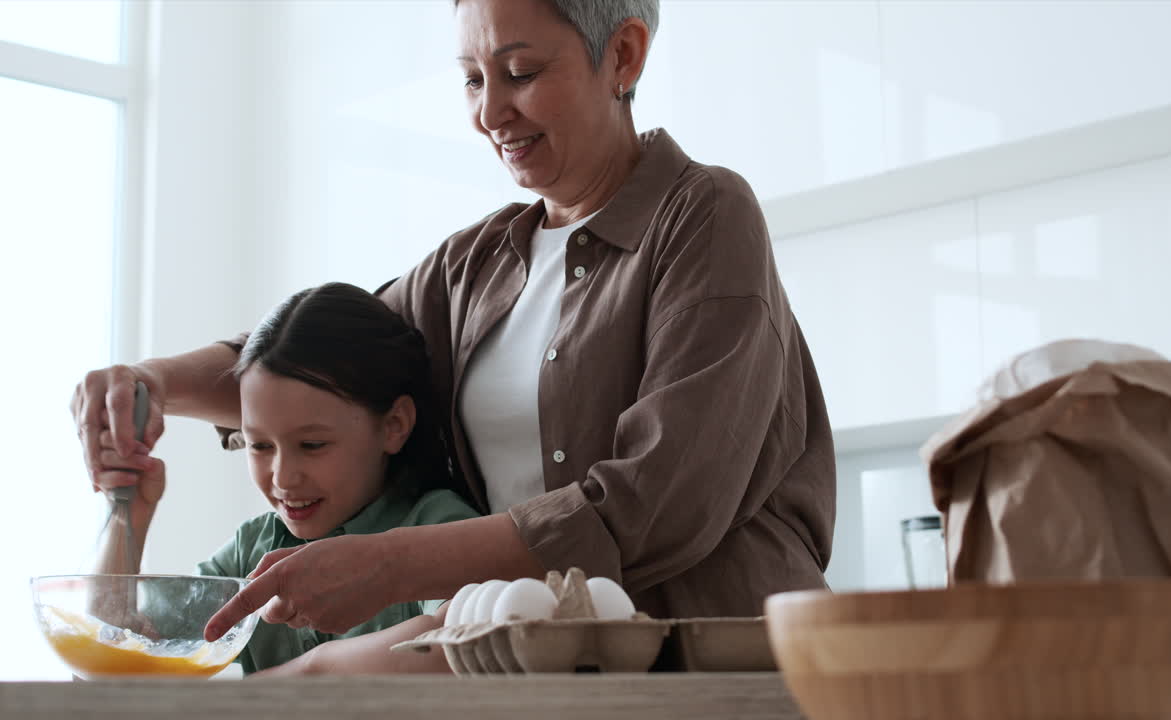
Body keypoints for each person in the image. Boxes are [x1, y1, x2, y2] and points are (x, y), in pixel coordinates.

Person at [72, 0, 836, 674]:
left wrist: (389, 565)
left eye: (521, 71)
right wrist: (151, 384)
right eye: (473, 80)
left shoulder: (704, 216)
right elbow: (311, 364)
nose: (490, 112)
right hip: (551, 680)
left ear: (624, 55)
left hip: (715, 673)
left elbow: (656, 504)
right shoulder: (474, 266)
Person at [87, 282, 480, 675]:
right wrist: (127, 517)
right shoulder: (251, 551)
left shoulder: (436, 525)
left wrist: (278, 689)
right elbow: (111, 665)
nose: (283, 477)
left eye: (312, 444)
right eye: (259, 446)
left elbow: (451, 644)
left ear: (394, 425)